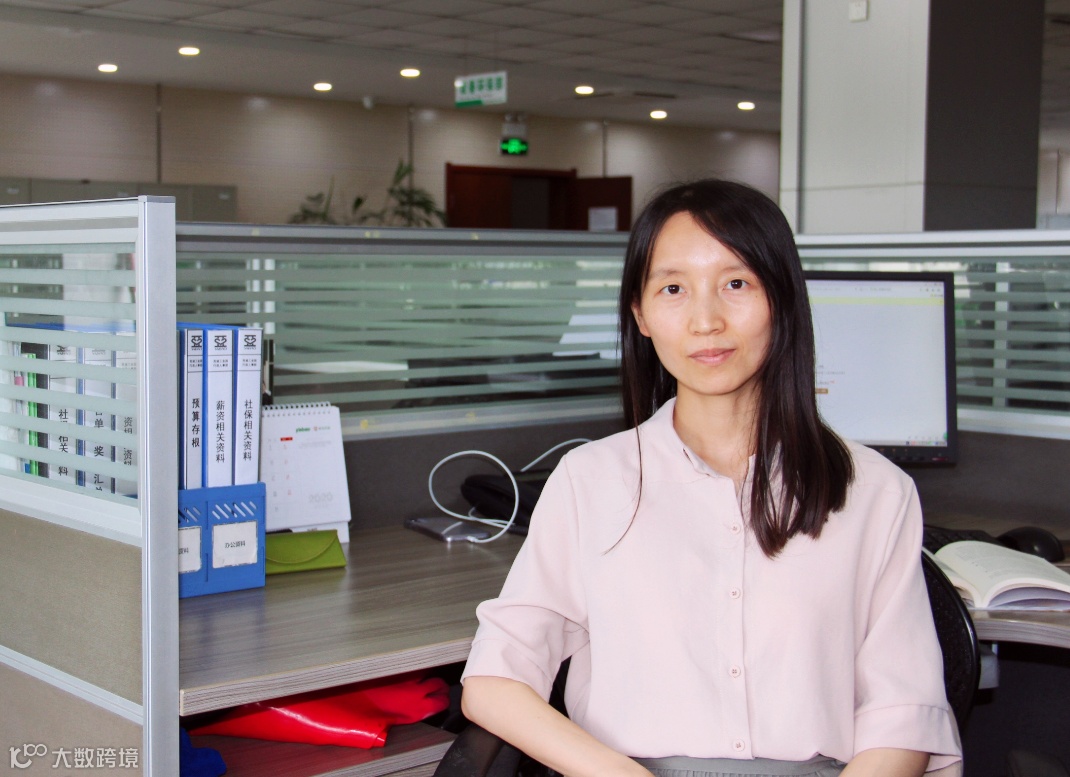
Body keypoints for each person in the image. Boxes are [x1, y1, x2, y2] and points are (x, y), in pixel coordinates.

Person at [460, 180, 962, 777]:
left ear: (782, 299)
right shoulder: (589, 482)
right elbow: (496, 679)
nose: (706, 321)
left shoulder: (874, 491)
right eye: (673, 289)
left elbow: (903, 714)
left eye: (736, 284)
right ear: (641, 314)